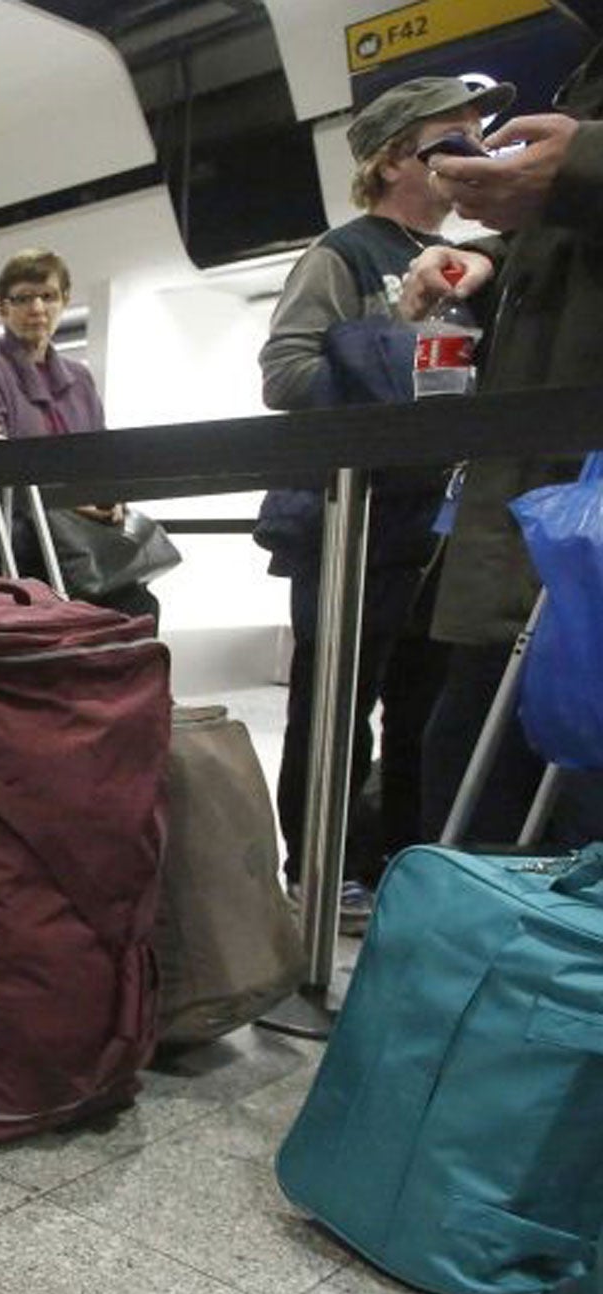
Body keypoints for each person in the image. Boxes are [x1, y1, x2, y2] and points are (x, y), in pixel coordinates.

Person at [259, 75, 513, 915]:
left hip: (445, 526)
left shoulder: (479, 263)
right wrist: (396, 334)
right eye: (457, 135)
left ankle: (406, 867)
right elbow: (287, 375)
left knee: (422, 711)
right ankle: (319, 870)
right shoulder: (345, 253)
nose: (478, 149)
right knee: (334, 706)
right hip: (355, 525)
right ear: (401, 153)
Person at [402, 3, 603, 845]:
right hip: (536, 524)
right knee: (473, 791)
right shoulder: (587, 63)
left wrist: (586, 164)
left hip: (572, 531)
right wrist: (497, 256)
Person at [0, 247, 161, 625]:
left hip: (78, 538)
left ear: (65, 301)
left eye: (48, 296)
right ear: (2, 309)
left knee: (138, 607)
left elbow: (100, 455)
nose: (37, 308)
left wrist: (111, 497)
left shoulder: (79, 377)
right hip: (16, 532)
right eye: (23, 298)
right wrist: (71, 501)